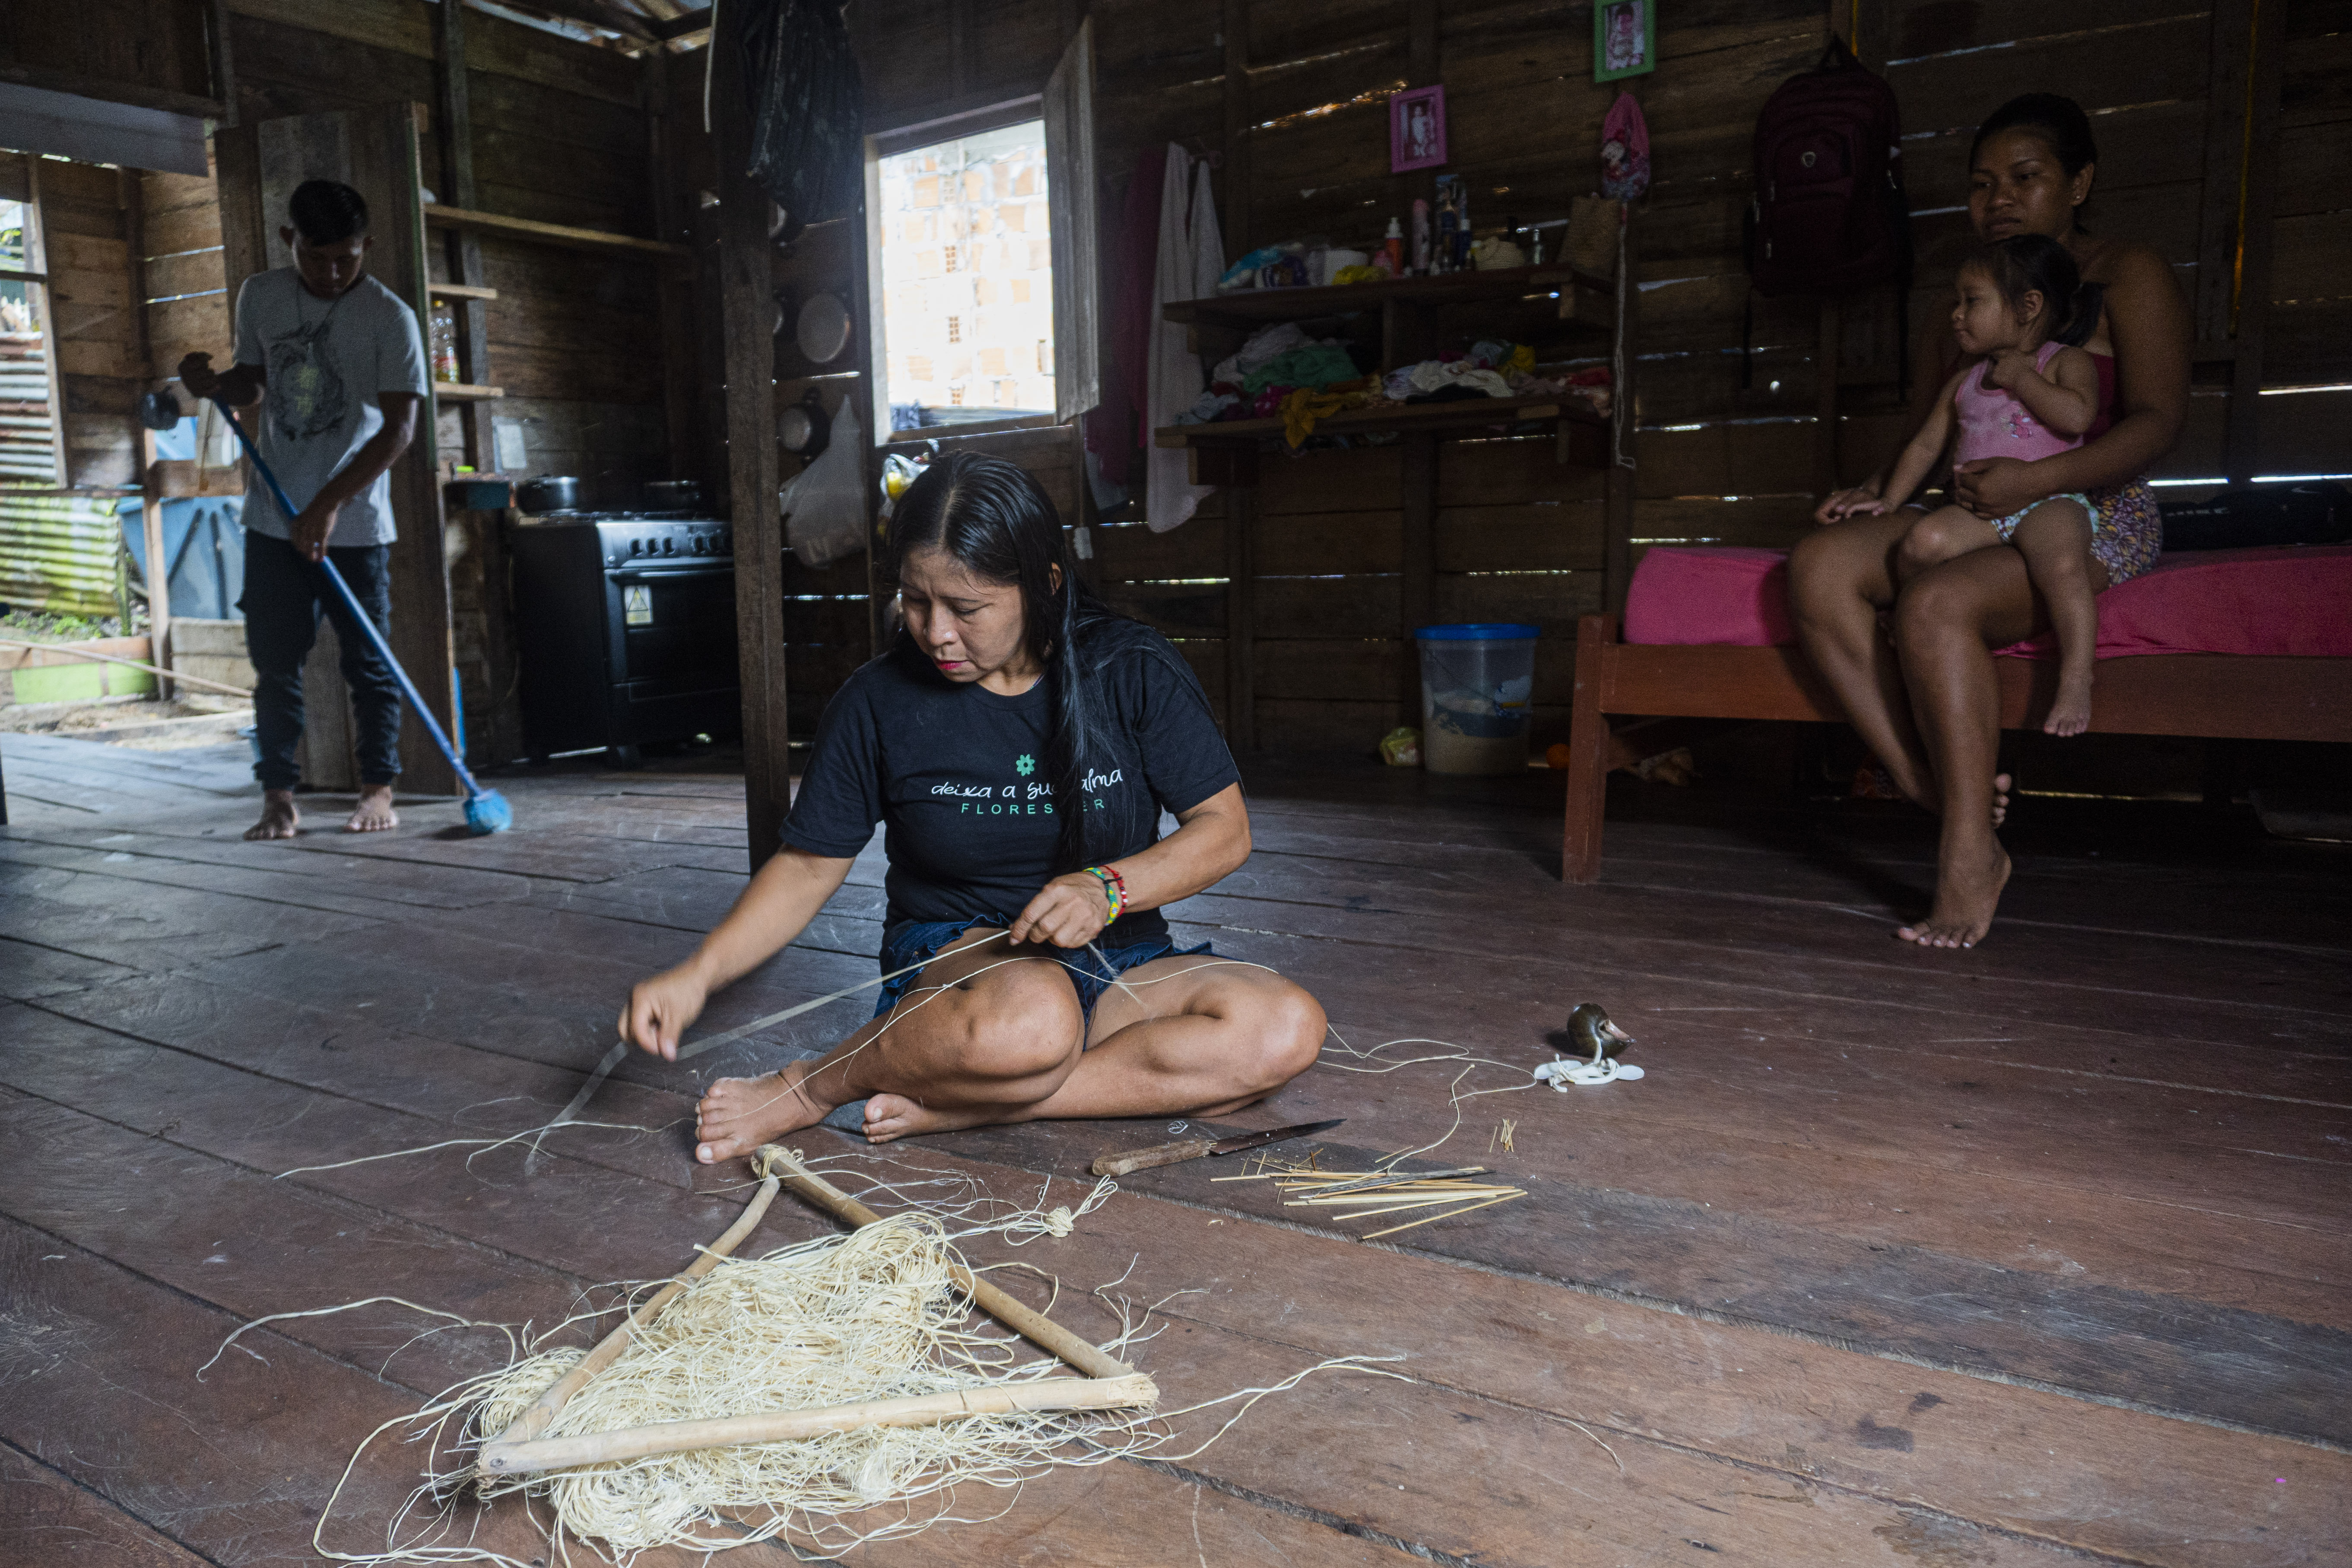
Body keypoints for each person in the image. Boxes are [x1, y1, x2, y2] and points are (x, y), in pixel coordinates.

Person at [618, 453, 1326, 1162]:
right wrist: (697, 975)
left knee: (1283, 1028)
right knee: (1033, 1022)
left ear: (1046, 584)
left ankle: (974, 1107)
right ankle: (811, 1088)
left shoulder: (1129, 669)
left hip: (1118, 956)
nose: (936, 633)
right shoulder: (879, 701)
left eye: (966, 608)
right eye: (916, 601)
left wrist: (1108, 890)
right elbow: (807, 866)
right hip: (966, 972)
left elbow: (1223, 830)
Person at [1789, 93, 2189, 949]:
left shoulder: (2128, 272)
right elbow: (1935, 429)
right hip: (1979, 505)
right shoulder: (1965, 300)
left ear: (2078, 182)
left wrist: (2036, 481)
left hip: (2085, 507)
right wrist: (1871, 490)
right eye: (1980, 184)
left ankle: (1968, 853)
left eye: (2024, 177)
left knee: (1933, 605)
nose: (1997, 198)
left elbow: (2154, 421)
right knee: (1819, 565)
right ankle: (1918, 778)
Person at [178, 179, 429, 841]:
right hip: (272, 517)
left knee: (368, 663)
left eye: (347, 257)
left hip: (356, 522)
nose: (332, 272)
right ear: (291, 240)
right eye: (316, 258)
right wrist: (215, 385)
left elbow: (398, 431)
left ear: (366, 244)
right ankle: (279, 797)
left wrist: (324, 506)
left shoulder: (389, 316)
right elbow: (252, 382)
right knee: (276, 664)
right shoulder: (260, 294)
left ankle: (378, 787)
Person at [1824, 234, 2106, 737]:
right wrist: (1887, 500)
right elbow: (1925, 448)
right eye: (1958, 301)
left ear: (2029, 306)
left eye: (1971, 301)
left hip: (2051, 502)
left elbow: (2078, 415)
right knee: (1922, 542)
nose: (1956, 314)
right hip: (1980, 512)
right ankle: (1906, 623)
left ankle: (2076, 674)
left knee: (2062, 566)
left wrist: (2025, 380)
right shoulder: (1965, 382)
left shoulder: (2064, 362)